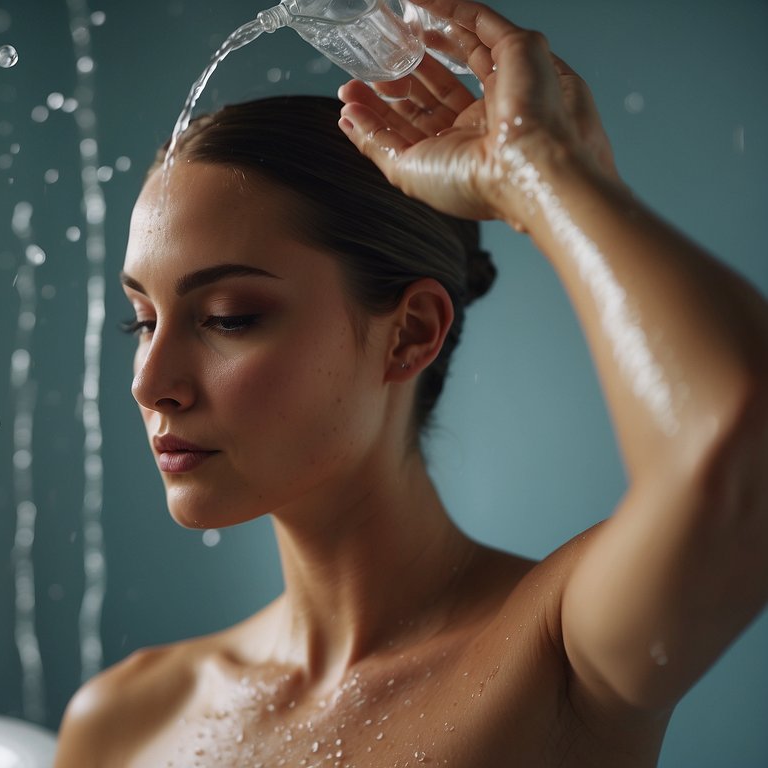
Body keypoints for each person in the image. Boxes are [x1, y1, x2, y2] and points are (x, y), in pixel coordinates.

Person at [52, 0, 768, 765]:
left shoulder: (560, 658)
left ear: (411, 332)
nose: (152, 383)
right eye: (141, 320)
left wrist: (543, 173)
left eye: (228, 317)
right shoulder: (122, 722)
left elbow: (740, 450)